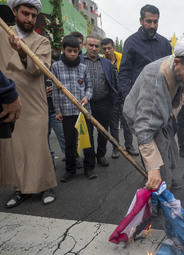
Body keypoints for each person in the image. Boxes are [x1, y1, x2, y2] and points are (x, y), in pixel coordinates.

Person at [123, 38, 184, 190]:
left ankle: (168, 179)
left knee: (171, 151)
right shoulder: (154, 78)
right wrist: (153, 169)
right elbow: (144, 129)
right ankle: (159, 196)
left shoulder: (177, 65)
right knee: (158, 163)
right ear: (176, 61)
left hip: (164, 114)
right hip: (143, 119)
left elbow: (182, 84)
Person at [0, 0, 57, 207]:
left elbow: (40, 68)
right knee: (15, 147)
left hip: (34, 104)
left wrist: (22, 52)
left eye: (33, 15)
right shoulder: (2, 32)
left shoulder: (42, 41)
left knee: (38, 146)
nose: (29, 19)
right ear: (14, 11)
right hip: (7, 101)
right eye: (25, 13)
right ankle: (20, 189)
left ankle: (45, 186)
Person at [52, 35, 96, 182]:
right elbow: (55, 90)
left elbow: (89, 87)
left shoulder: (83, 68)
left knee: (87, 141)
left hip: (83, 112)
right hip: (67, 112)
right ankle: (70, 170)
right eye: (69, 51)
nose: (72, 54)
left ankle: (89, 168)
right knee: (70, 143)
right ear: (63, 49)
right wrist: (57, 110)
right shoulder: (56, 67)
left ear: (79, 50)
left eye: (75, 51)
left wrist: (87, 97)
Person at [119, 4, 172, 99]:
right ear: (141, 21)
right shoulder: (131, 42)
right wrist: (128, 98)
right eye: (149, 21)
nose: (152, 25)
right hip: (139, 98)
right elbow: (124, 74)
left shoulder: (165, 43)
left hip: (161, 97)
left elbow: (170, 70)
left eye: (155, 22)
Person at [84, 35, 119, 166]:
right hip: (85, 104)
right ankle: (89, 159)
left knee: (103, 132)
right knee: (87, 133)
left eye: (96, 46)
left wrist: (113, 99)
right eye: (91, 45)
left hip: (104, 103)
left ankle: (101, 155)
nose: (94, 48)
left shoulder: (106, 63)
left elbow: (113, 82)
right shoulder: (79, 61)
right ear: (84, 45)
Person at [101, 38, 139, 158]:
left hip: (125, 97)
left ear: (114, 48)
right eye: (104, 49)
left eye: (109, 48)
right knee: (114, 126)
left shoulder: (122, 60)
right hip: (111, 100)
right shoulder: (102, 62)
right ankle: (116, 148)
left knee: (127, 124)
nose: (107, 51)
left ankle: (130, 146)